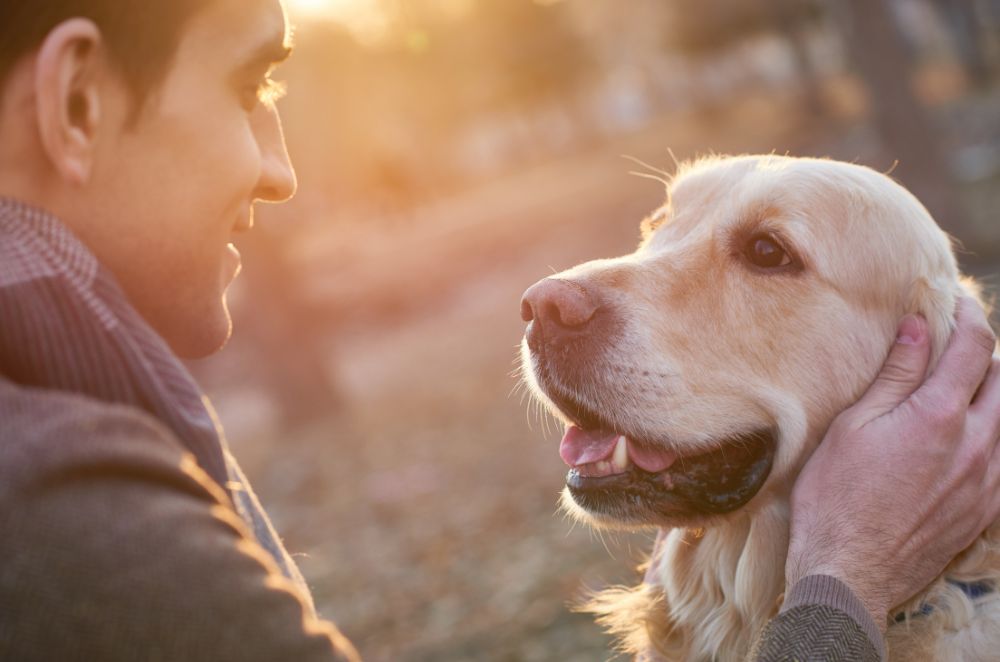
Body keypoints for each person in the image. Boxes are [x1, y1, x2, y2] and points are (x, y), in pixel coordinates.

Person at [0, 2, 995, 662]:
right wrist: (845, 585)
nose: (282, 170)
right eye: (251, 88)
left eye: (766, 255)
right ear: (76, 101)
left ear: (939, 364)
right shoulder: (62, 507)